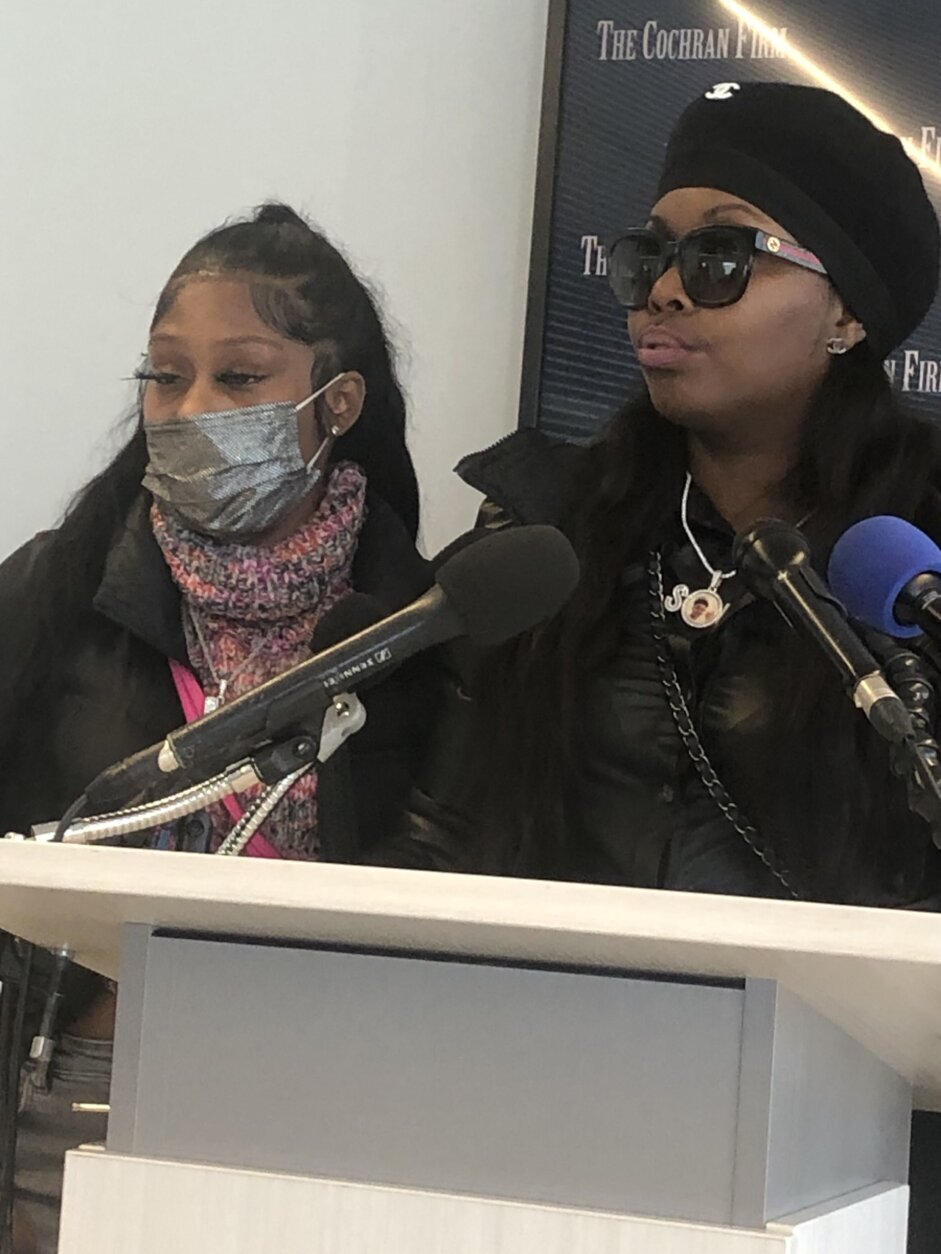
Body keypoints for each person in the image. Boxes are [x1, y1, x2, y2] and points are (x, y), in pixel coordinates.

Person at [403, 84, 941, 1249]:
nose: (661, 290)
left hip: (854, 1151)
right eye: (648, 254)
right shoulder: (551, 532)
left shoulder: (915, 559)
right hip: (552, 1122)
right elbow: (449, 830)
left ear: (845, 312)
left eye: (719, 258)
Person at [0, 202, 439, 1252]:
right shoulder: (50, 592)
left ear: (336, 403)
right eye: (165, 375)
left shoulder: (423, 627)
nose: (191, 408)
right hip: (71, 1100)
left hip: (333, 1107)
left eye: (238, 378)